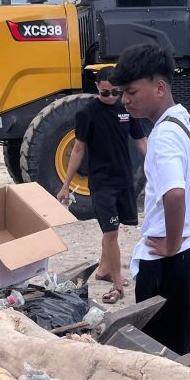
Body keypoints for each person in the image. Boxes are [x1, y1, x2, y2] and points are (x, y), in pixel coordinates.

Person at [112, 43, 190, 355]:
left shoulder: (163, 136)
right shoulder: (187, 121)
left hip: (170, 259)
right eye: (122, 93)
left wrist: (173, 242)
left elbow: (174, 194)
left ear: (160, 87)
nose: (125, 100)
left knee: (164, 354)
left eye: (131, 91)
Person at [57, 67, 148, 301]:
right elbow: (78, 149)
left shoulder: (127, 110)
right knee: (111, 233)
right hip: (102, 184)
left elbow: (141, 141)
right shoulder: (88, 113)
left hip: (125, 181)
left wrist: (158, 167)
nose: (111, 98)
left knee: (113, 231)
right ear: (97, 86)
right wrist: (66, 184)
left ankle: (104, 270)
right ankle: (117, 284)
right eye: (106, 93)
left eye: (115, 93)